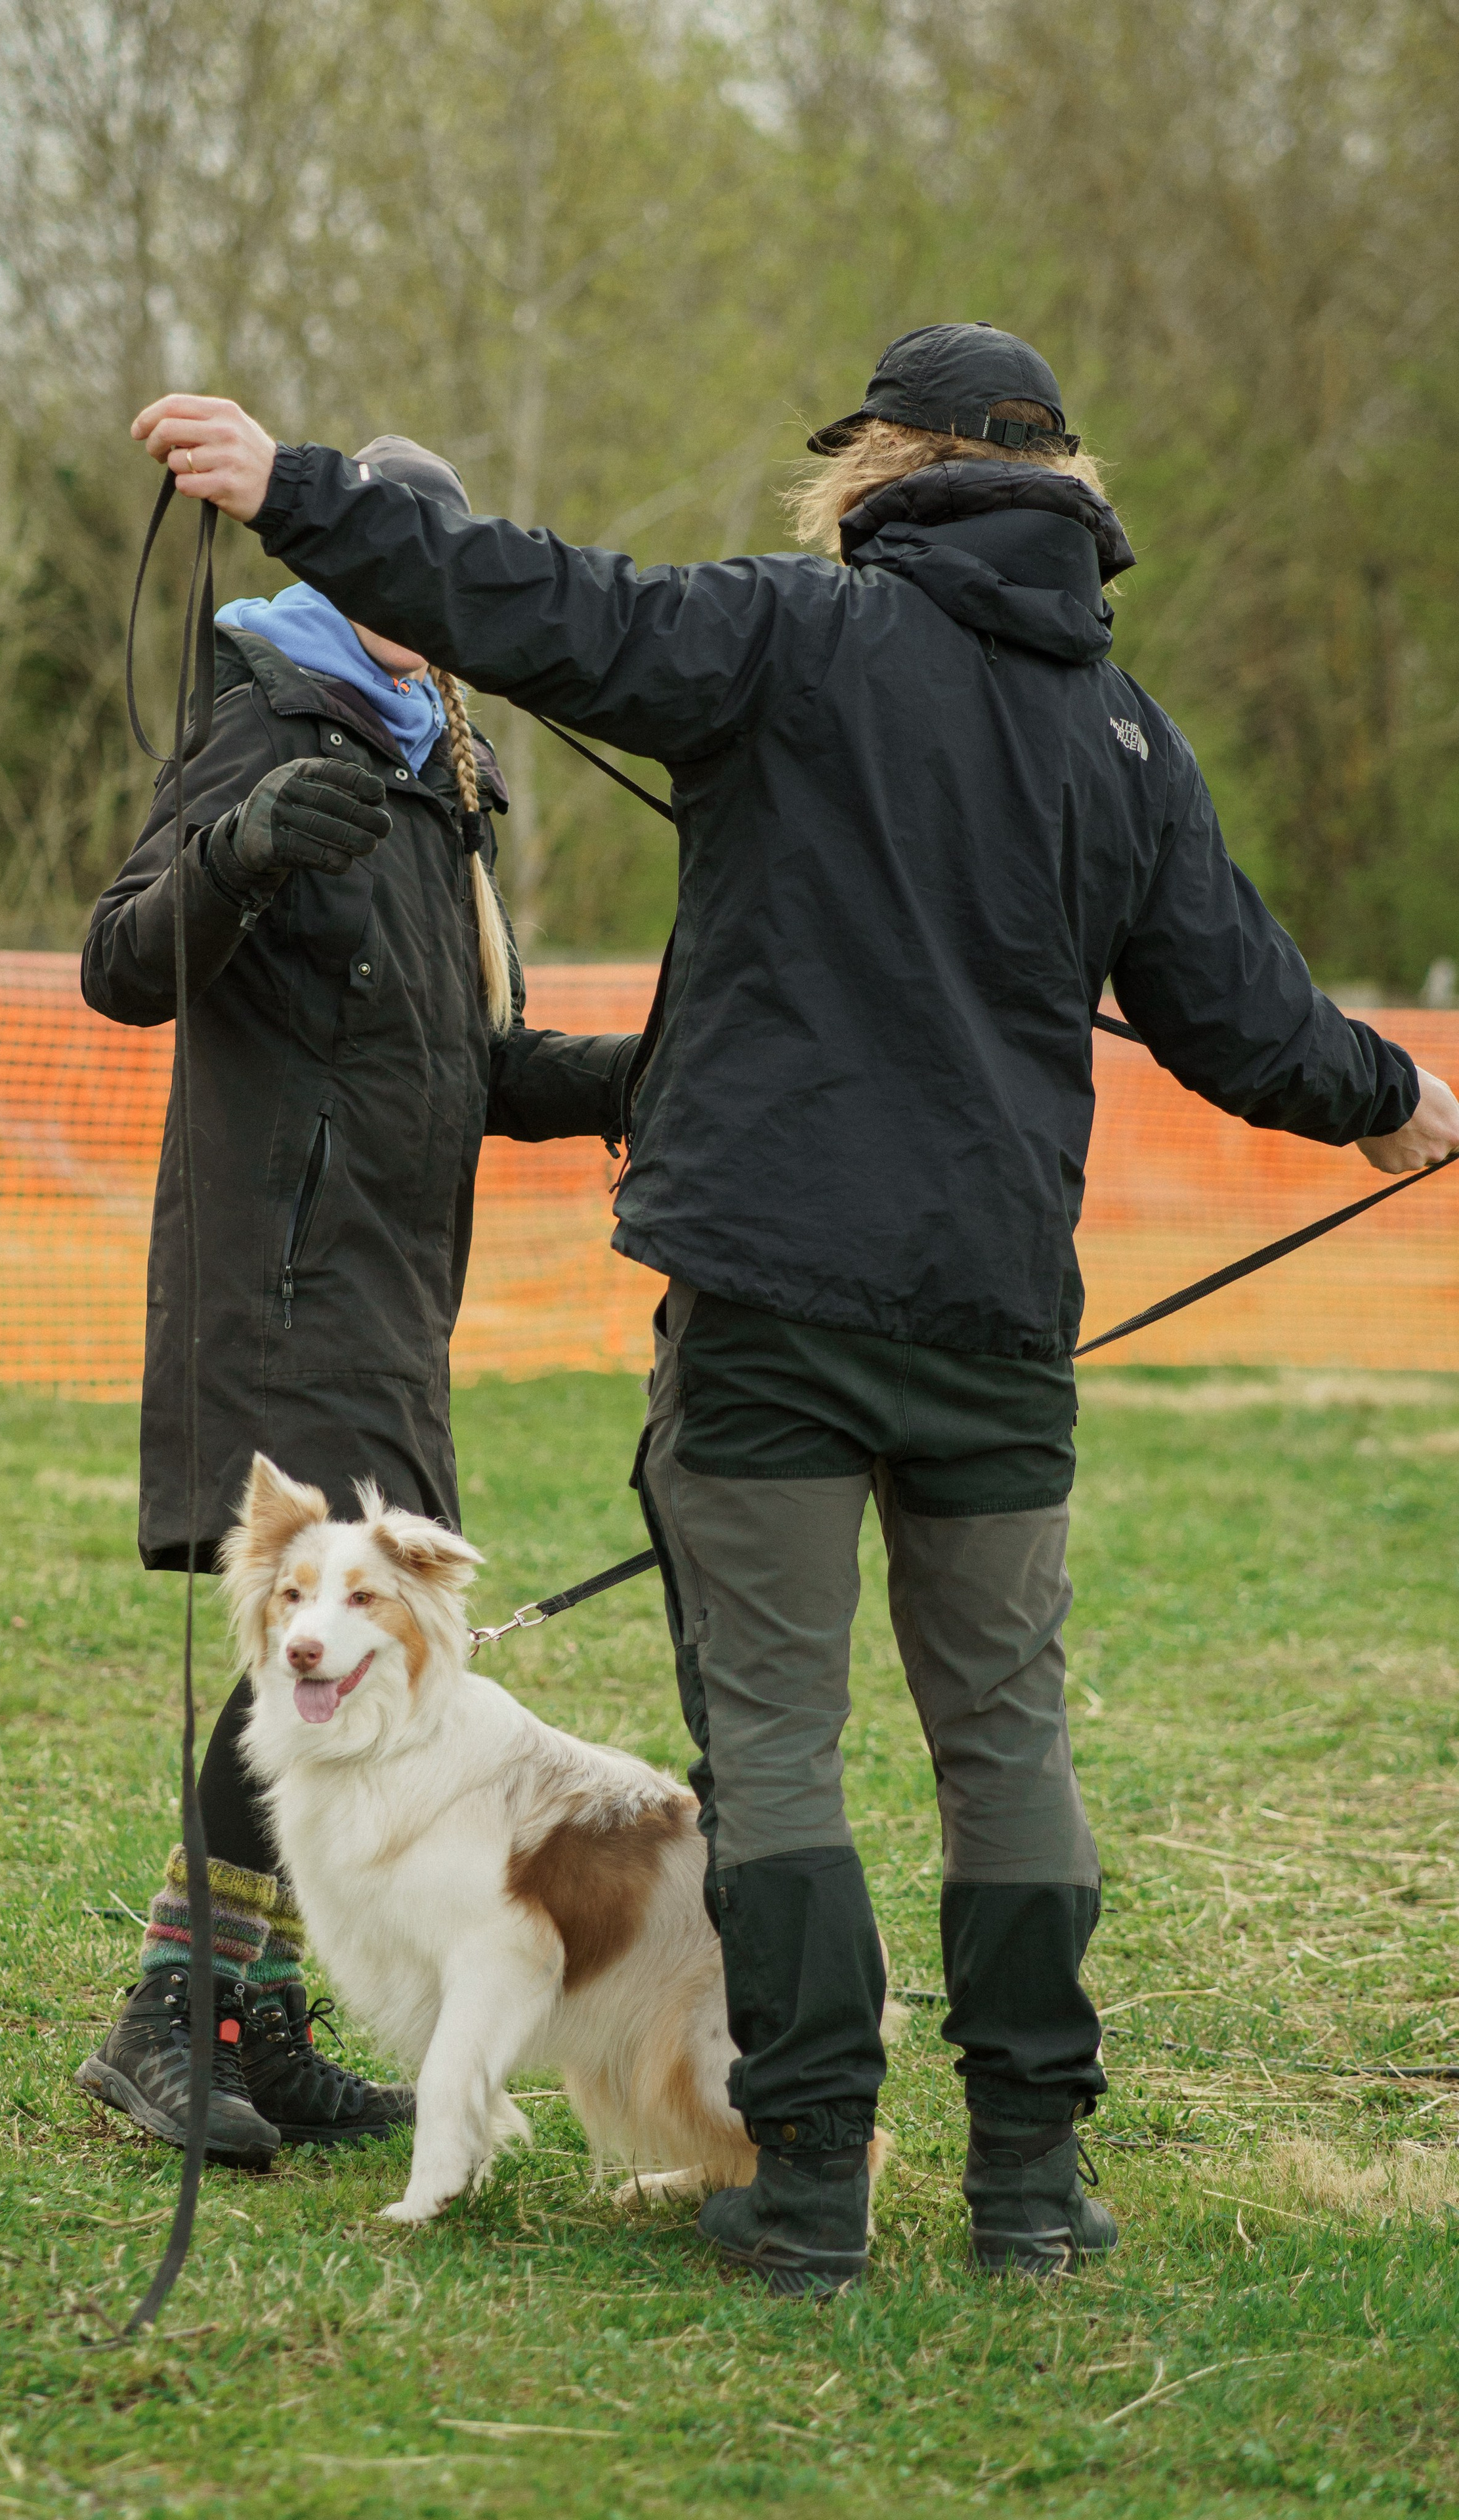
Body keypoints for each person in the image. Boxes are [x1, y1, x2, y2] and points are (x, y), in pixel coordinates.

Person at [129, 331, 1459, 2284]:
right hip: (998, 1321)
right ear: (1059, 492)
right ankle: (1032, 2184)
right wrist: (1398, 1099)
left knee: (772, 1750)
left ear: (883, 471)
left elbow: (532, 600)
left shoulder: (790, 638)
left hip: (771, 1302)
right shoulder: (1123, 734)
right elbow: (1248, 1016)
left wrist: (295, 486)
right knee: (1006, 1743)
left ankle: (811, 2183)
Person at [74, 435, 638, 2172]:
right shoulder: (272, 716)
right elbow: (121, 963)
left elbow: (463, 1065)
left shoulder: (440, 780)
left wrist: (645, 1073)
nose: (415, 607)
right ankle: (174, 2019)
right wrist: (234, 853)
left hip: (394, 1291)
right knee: (329, 1654)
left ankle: (251, 2014)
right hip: (282, 1275)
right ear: (333, 571)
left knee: (346, 1665)